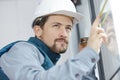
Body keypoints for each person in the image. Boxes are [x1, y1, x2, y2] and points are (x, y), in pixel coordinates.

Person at [0, 0, 107, 80]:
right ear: (38, 31)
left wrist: (87, 61)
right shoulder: (22, 50)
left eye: (68, 28)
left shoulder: (46, 64)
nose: (64, 34)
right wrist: (89, 54)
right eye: (56, 26)